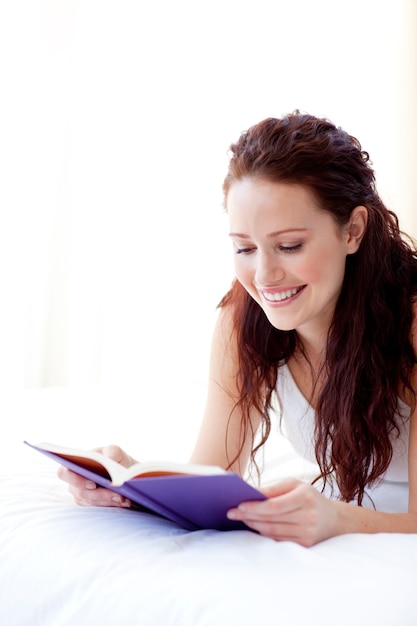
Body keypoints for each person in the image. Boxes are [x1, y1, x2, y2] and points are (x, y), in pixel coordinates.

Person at [58, 111, 417, 546]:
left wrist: (338, 519)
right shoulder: (242, 322)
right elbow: (216, 479)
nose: (264, 276)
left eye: (289, 246)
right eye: (244, 248)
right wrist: (126, 482)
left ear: (353, 230)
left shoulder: (409, 326)